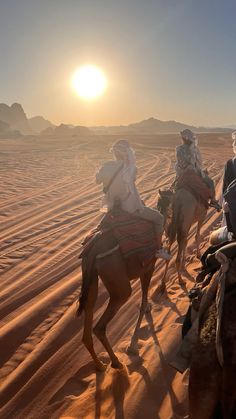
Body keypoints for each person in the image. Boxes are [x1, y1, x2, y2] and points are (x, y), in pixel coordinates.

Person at [96, 139, 171, 260]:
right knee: (159, 218)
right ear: (127, 154)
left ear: (114, 153)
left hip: (110, 207)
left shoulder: (106, 166)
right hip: (128, 207)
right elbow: (130, 182)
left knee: (99, 228)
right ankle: (158, 249)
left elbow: (97, 180)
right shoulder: (130, 168)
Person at [175, 129, 221, 210]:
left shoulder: (179, 148)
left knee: (173, 187)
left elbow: (182, 162)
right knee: (210, 182)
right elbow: (196, 162)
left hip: (181, 173)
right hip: (191, 173)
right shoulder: (192, 149)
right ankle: (213, 201)